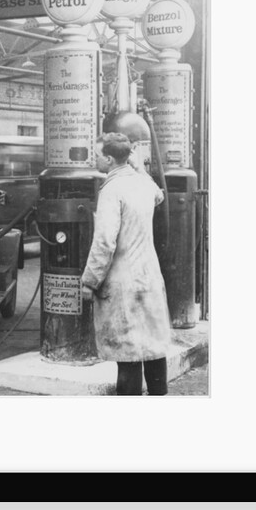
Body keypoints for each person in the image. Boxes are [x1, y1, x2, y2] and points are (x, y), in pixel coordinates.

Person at [81, 132, 171, 395]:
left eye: (97, 155)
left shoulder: (112, 190)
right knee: (154, 348)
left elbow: (104, 242)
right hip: (149, 277)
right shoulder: (143, 184)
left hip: (123, 283)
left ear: (109, 159)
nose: (94, 159)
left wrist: (90, 280)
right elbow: (159, 195)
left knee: (128, 355)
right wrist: (138, 166)